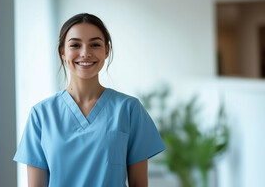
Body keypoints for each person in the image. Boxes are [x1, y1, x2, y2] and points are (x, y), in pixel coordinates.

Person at [13, 13, 165, 187]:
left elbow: (139, 183)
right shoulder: (41, 115)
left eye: (95, 45)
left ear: (106, 51)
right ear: (62, 52)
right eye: (75, 45)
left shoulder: (129, 110)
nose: (85, 53)